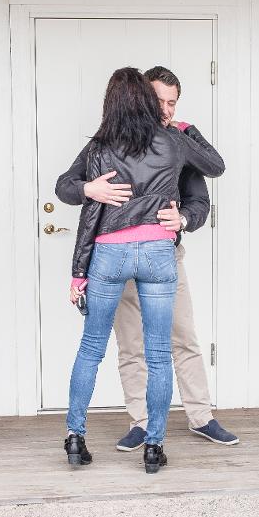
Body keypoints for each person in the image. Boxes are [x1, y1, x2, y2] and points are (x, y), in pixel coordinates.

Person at [55, 66, 238, 452]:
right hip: (129, 253)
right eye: (159, 101)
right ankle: (143, 425)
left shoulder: (176, 139)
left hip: (161, 253)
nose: (166, 110)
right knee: (132, 345)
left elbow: (203, 195)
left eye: (173, 103)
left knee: (182, 337)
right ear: (141, 97)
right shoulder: (107, 144)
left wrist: (185, 218)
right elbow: (65, 186)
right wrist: (90, 188)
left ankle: (200, 416)